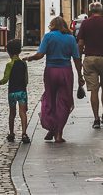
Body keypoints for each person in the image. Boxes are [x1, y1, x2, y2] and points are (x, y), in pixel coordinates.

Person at [25, 15, 84, 144]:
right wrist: (80, 76)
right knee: (64, 102)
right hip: (66, 72)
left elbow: (40, 55)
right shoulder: (70, 38)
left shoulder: (48, 36)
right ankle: (58, 134)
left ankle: (51, 126)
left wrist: (29, 58)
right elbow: (77, 59)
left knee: (49, 99)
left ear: (52, 25)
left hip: (51, 71)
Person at [77, 1, 103, 129]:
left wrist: (79, 59)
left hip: (89, 60)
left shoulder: (85, 24)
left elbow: (80, 44)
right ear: (102, 11)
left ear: (90, 12)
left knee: (93, 90)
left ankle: (96, 119)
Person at [0, 37, 30, 145]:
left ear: (8, 52)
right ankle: (24, 133)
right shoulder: (23, 64)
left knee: (12, 113)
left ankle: (12, 133)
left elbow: (5, 80)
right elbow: (26, 80)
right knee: (23, 112)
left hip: (12, 92)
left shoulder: (9, 65)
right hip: (22, 92)